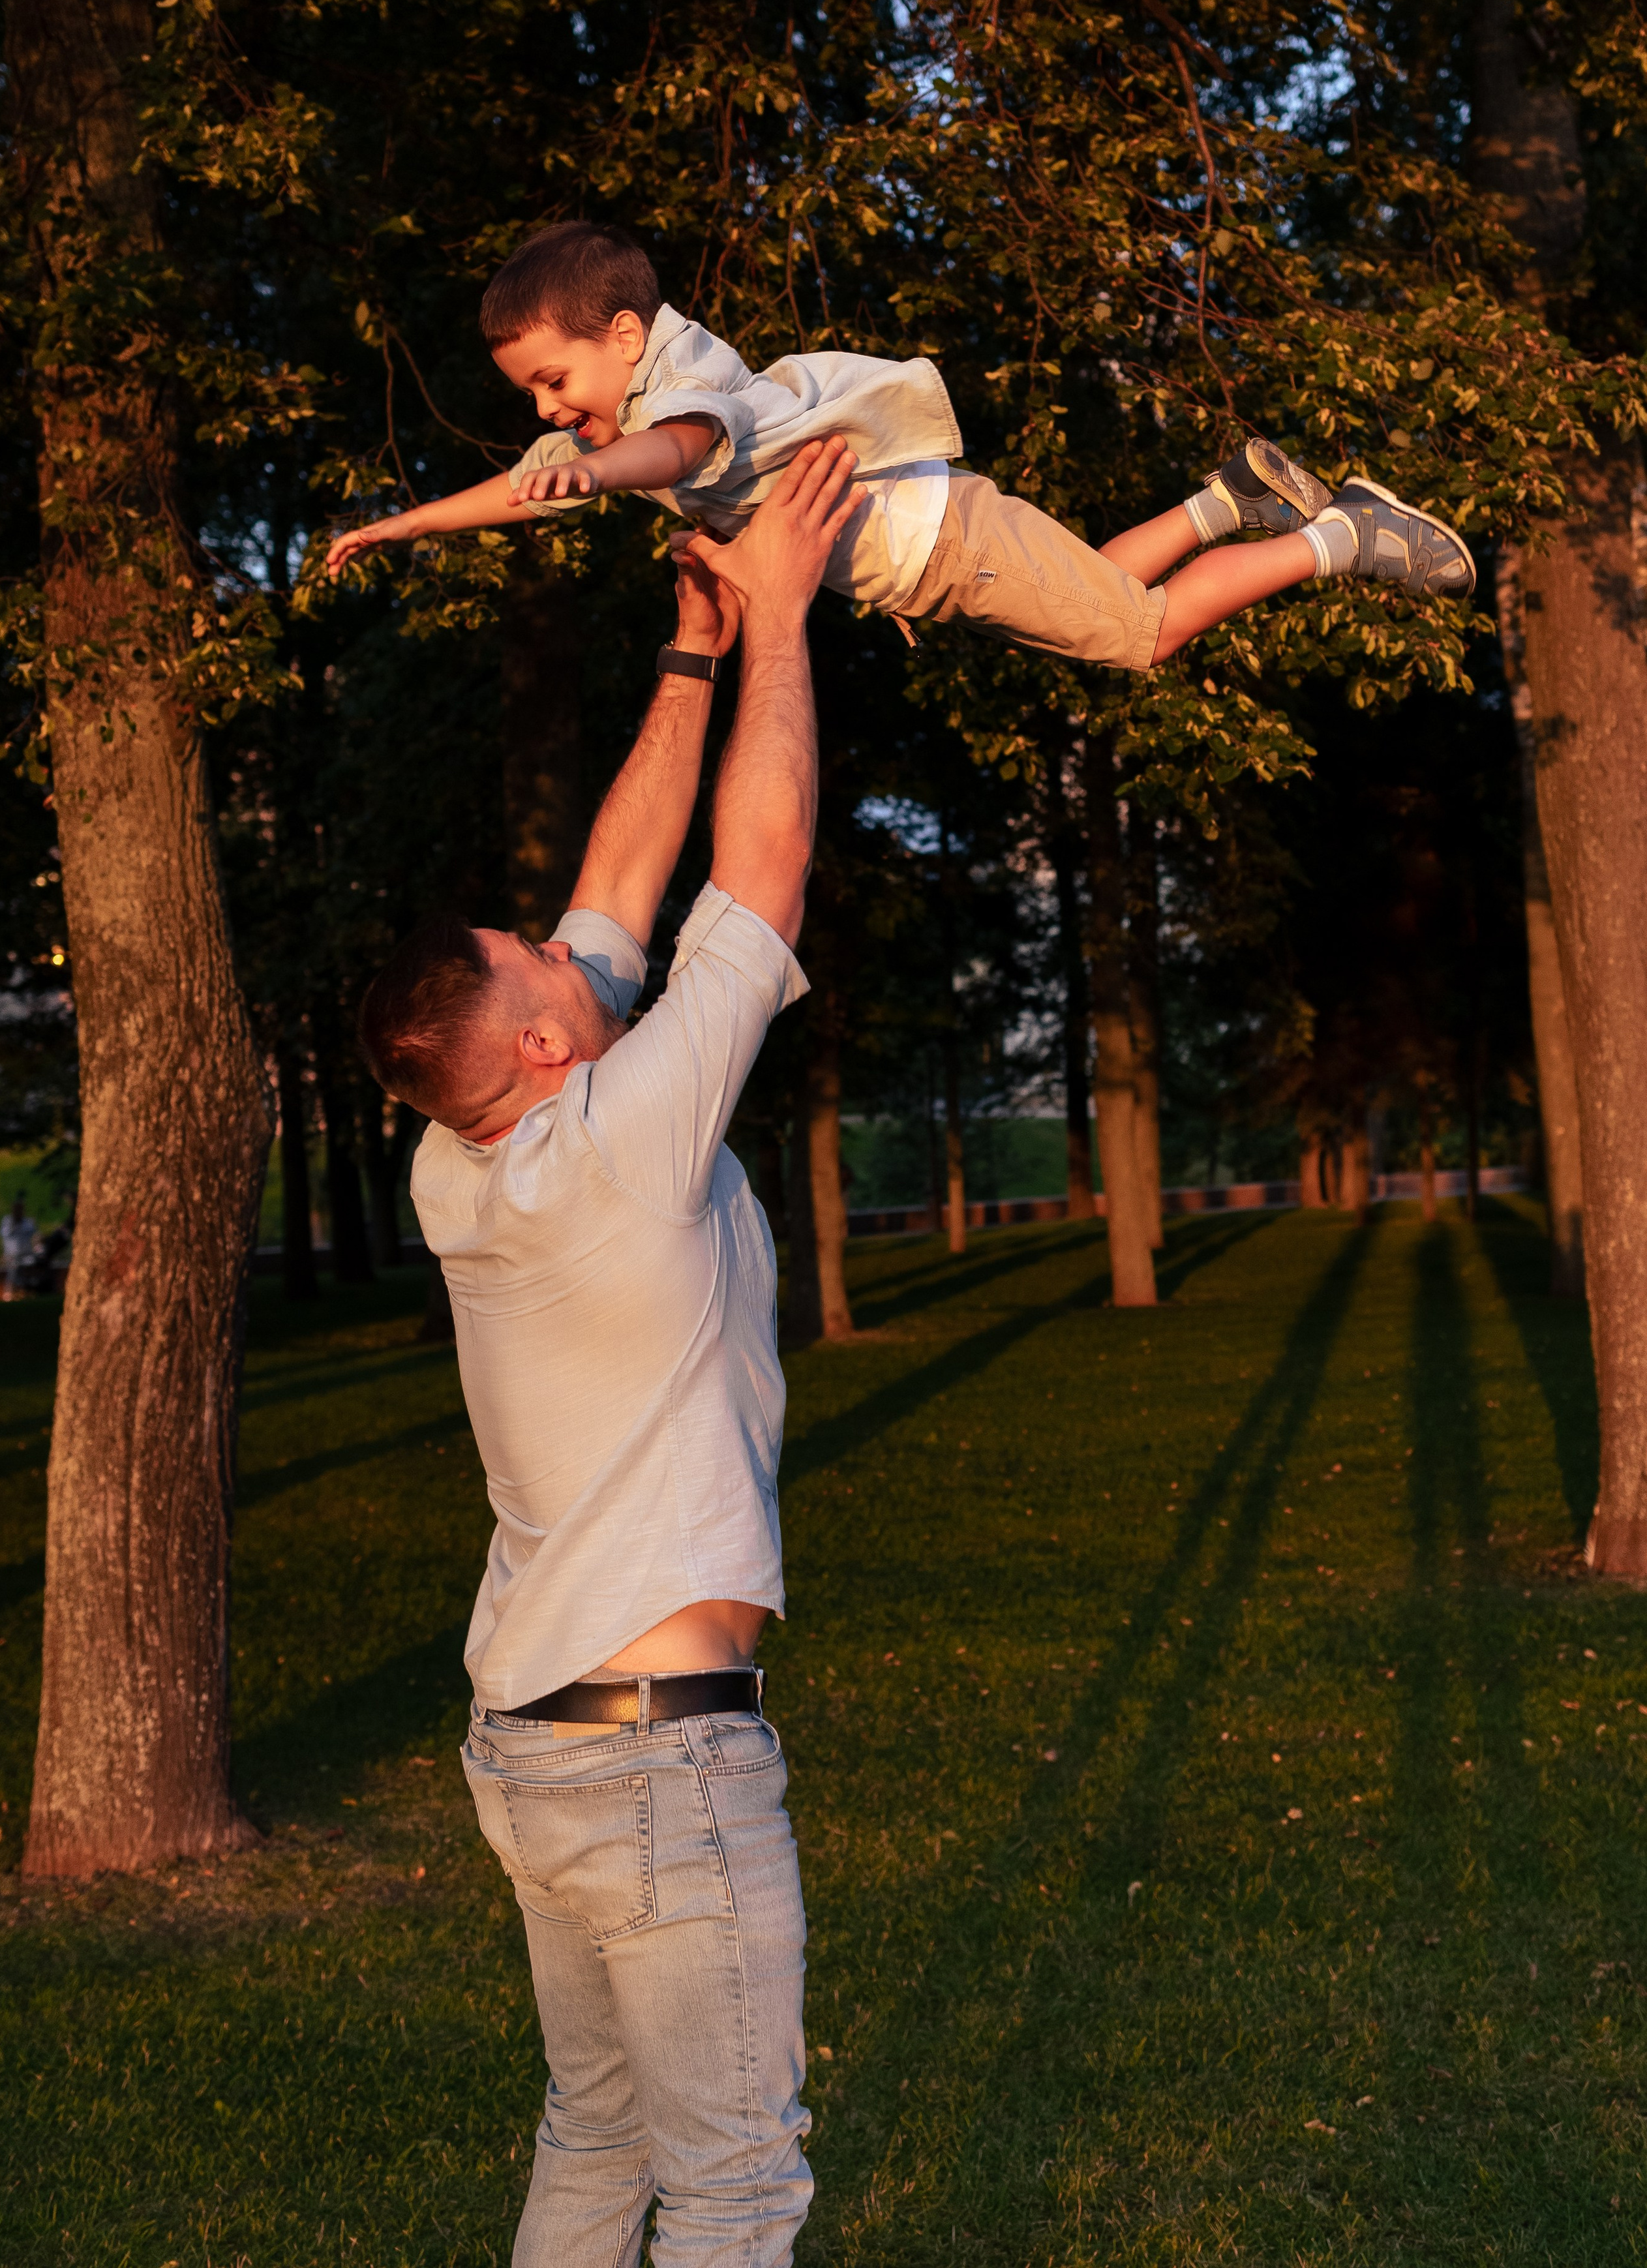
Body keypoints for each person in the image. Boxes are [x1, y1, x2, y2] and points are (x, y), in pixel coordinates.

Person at [355, 438, 863, 2267]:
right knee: (734, 2187)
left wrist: (691, 649)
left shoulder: (460, 1161)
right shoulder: (630, 1142)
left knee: (600, 2132)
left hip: (535, 1750)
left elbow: (625, 879)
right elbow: (760, 865)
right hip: (659, 1769)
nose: (563, 935)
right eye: (534, 955)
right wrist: (784, 618)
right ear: (545, 1046)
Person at [325, 219, 1475, 665]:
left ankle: (1340, 537)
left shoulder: (689, 396)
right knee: (1102, 586)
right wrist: (409, 523)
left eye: (554, 381)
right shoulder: (631, 408)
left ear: (624, 337)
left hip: (945, 544)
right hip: (943, 537)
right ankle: (1227, 501)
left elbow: (667, 456)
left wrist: (592, 467)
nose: (545, 411)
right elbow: (525, 491)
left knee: (1145, 634)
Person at [0, 1192, 37, 1301]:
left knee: (29, 1271)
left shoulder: (28, 1222)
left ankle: (25, 1292)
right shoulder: (7, 1221)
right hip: (12, 1256)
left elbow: (35, 1235)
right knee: (13, 1272)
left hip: (27, 1255)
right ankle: (9, 1294)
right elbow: (5, 1234)